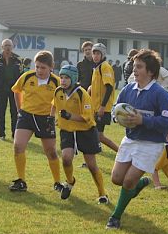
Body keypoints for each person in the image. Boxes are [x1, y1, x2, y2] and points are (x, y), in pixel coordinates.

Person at [106, 49, 168, 230]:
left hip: (151, 144)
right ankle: (138, 186)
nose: (134, 70)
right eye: (133, 66)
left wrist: (142, 120)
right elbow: (115, 109)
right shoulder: (128, 89)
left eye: (139, 67)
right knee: (116, 178)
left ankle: (115, 217)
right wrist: (117, 118)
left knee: (128, 181)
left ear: (151, 71)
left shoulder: (161, 94)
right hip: (130, 140)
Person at [52, 65, 108, 203]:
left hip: (86, 131)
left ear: (74, 78)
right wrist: (51, 118)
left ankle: (102, 194)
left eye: (66, 78)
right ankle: (70, 182)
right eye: (61, 77)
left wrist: (69, 116)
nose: (63, 80)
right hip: (67, 131)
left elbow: (87, 118)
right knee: (66, 158)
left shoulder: (82, 93)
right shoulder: (58, 91)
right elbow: (54, 104)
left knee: (91, 165)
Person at [9, 51, 61, 192]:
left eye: (43, 67)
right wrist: (20, 109)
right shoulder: (27, 77)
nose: (39, 70)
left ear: (51, 67)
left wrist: (55, 116)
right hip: (26, 116)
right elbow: (16, 90)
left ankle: (57, 182)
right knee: (18, 146)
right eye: (37, 66)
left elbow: (61, 100)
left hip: (46, 118)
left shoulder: (57, 82)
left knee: (51, 152)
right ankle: (21, 181)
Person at [0, 39, 22, 140]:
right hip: (1, 89)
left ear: (12, 47)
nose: (8, 48)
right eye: (6, 45)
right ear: (2, 47)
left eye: (9, 45)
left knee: (15, 112)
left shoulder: (18, 59)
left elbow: (22, 74)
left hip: (15, 90)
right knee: (0, 112)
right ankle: (1, 134)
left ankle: (14, 133)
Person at [89, 43, 119, 153]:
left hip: (102, 108)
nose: (95, 56)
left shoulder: (105, 67)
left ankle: (121, 153)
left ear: (103, 55)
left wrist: (102, 106)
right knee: (97, 135)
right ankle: (121, 152)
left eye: (98, 53)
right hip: (96, 107)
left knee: (96, 135)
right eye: (94, 53)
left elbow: (109, 87)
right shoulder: (97, 68)